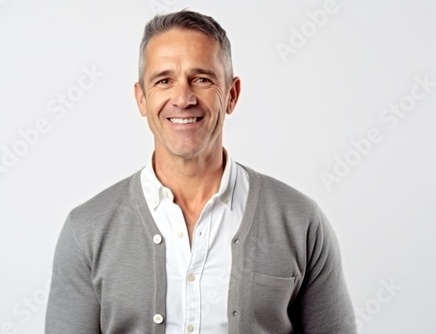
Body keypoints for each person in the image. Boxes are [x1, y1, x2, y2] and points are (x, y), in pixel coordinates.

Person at [45, 9, 357, 334]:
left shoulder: (300, 222)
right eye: (164, 80)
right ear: (141, 99)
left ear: (232, 95)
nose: (182, 98)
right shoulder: (86, 231)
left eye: (202, 79)